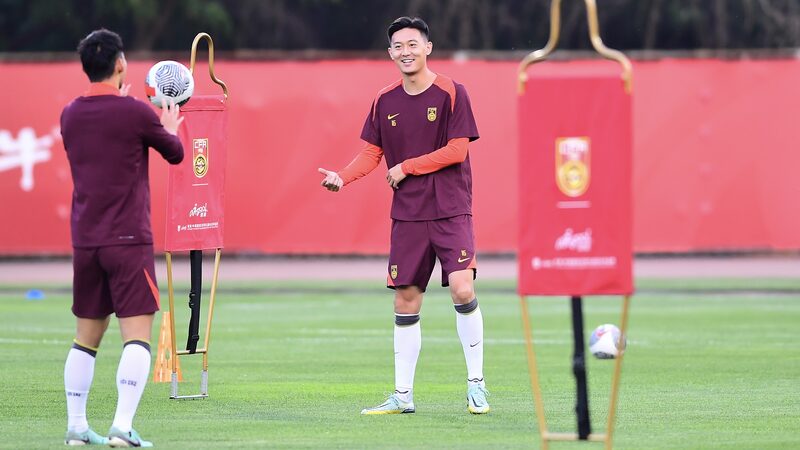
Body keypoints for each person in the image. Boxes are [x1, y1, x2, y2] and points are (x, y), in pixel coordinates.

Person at [318, 16, 489, 415]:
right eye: (398, 46)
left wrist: (407, 166)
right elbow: (372, 154)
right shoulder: (384, 100)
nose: (406, 52)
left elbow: (457, 150)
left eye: (413, 44)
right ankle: (402, 396)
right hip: (408, 216)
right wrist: (342, 178)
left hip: (450, 211)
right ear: (390, 53)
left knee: (463, 289)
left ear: (428, 47)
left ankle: (477, 386)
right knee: (406, 300)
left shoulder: (452, 91)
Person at [60, 29, 184, 447]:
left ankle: (77, 427)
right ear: (120, 64)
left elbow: (104, 132)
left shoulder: (70, 113)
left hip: (85, 241)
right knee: (137, 336)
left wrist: (125, 104)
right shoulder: (135, 113)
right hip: (128, 240)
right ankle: (122, 426)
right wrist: (166, 123)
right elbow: (176, 153)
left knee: (85, 339)